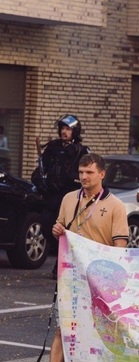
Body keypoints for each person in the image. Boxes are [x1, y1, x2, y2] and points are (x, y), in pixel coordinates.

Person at [27, 154, 130, 362]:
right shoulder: (69, 198)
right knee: (65, 325)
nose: (84, 177)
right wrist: (56, 231)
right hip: (71, 274)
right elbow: (61, 229)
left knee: (102, 327)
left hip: (100, 278)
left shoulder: (115, 205)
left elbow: (120, 247)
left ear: (102, 174)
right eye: (81, 172)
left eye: (89, 172)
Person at [31, 115, 91, 272]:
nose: (64, 132)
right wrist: (40, 182)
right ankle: (59, 254)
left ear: (75, 131)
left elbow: (86, 174)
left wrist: (70, 181)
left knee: (65, 230)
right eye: (63, 128)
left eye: (68, 129)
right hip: (51, 196)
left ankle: (61, 264)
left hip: (69, 197)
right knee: (46, 225)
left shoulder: (81, 151)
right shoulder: (53, 147)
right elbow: (40, 169)